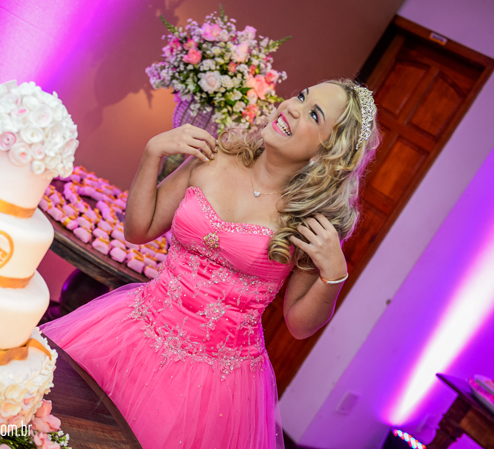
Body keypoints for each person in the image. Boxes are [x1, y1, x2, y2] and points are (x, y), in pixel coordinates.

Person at [40, 78, 380, 449]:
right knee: (53, 426)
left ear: (329, 151)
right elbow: (139, 230)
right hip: (131, 331)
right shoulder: (214, 157)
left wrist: (334, 275)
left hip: (214, 381)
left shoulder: (309, 219)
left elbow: (299, 326)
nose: (293, 108)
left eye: (313, 115)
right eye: (301, 96)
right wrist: (153, 152)